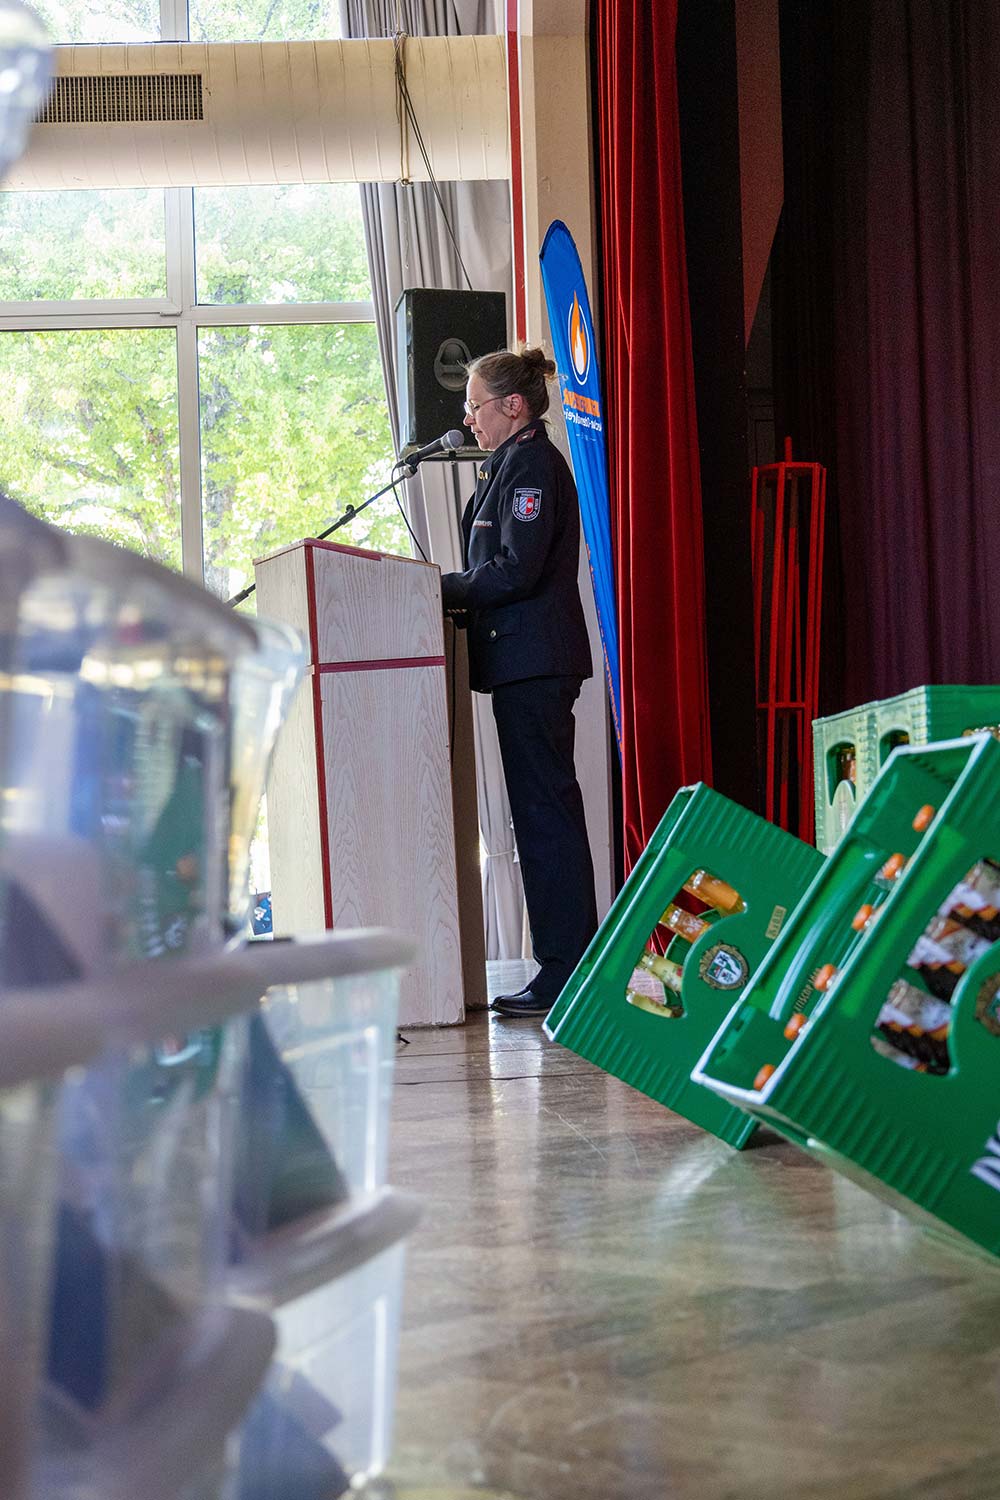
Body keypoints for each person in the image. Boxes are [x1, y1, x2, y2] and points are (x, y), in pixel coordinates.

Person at [440, 347, 598, 1018]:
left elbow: (515, 571)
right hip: (520, 664)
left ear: (513, 405)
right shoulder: (506, 465)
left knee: (545, 818)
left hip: (536, 663)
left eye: (475, 405)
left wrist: (430, 589)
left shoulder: (532, 465)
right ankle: (562, 966)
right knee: (538, 816)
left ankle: (567, 971)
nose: (468, 419)